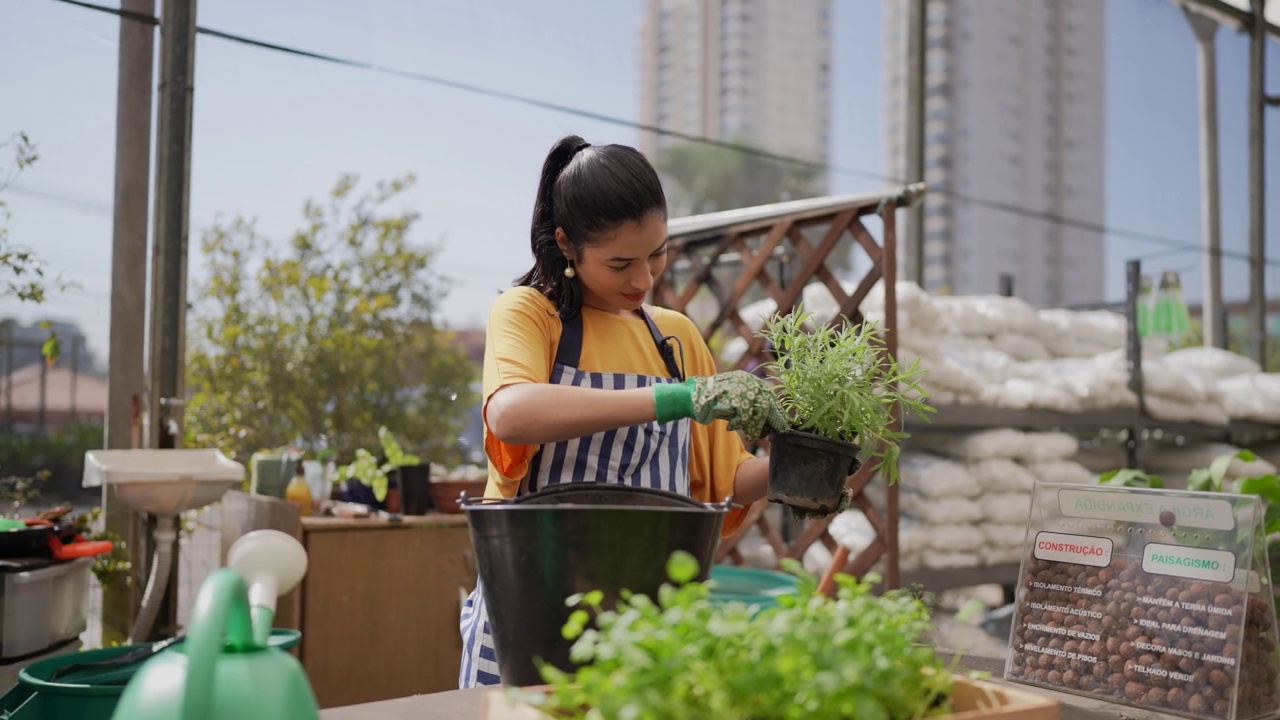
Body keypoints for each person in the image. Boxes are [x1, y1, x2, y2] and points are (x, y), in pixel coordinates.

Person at [457, 135, 791, 688]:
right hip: (534, 609)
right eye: (619, 263)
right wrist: (673, 399)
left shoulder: (676, 337)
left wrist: (800, 469)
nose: (643, 279)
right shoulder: (530, 314)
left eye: (656, 253)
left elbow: (729, 479)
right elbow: (511, 412)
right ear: (566, 243)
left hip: (647, 613)